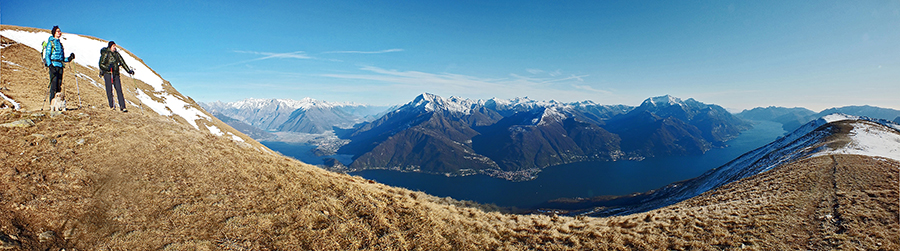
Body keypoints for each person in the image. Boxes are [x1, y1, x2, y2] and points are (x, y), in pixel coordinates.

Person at [99, 41, 134, 112]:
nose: (115, 47)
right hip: (108, 73)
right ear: (110, 46)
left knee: (119, 90)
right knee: (109, 90)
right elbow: (101, 64)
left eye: (115, 46)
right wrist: (108, 67)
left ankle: (123, 107)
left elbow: (123, 63)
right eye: (113, 46)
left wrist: (129, 71)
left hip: (116, 73)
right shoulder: (106, 53)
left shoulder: (117, 54)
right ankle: (112, 106)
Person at [43, 26, 75, 102]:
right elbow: (47, 55)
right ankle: (52, 104)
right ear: (54, 33)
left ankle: (58, 104)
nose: (59, 32)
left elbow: (62, 58)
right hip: (53, 65)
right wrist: (50, 65)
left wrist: (69, 58)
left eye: (60, 31)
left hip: (60, 66)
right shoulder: (51, 43)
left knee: (59, 86)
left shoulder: (60, 44)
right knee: (53, 86)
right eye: (58, 31)